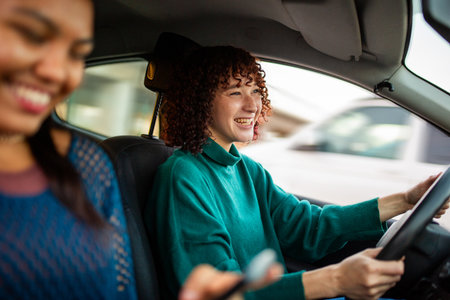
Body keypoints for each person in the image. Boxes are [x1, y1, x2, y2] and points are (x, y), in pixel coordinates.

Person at [0, 1, 282, 299]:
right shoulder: (183, 174)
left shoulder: (88, 165)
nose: (55, 72)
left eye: (76, 53)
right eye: (31, 35)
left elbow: (119, 289)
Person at [146, 45, 449, 300]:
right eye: (235, 92)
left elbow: (309, 227)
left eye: (255, 90)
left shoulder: (247, 170)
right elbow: (216, 291)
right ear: (201, 103)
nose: (253, 104)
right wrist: (335, 281)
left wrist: (407, 200)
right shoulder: (183, 176)